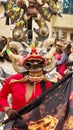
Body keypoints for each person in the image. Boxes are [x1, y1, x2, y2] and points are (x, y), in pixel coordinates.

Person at [0, 41, 56, 130]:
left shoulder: (49, 82)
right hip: (17, 124)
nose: (34, 67)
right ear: (24, 65)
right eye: (29, 63)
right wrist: (8, 110)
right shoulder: (13, 80)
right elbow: (2, 96)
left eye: (38, 63)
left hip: (40, 125)